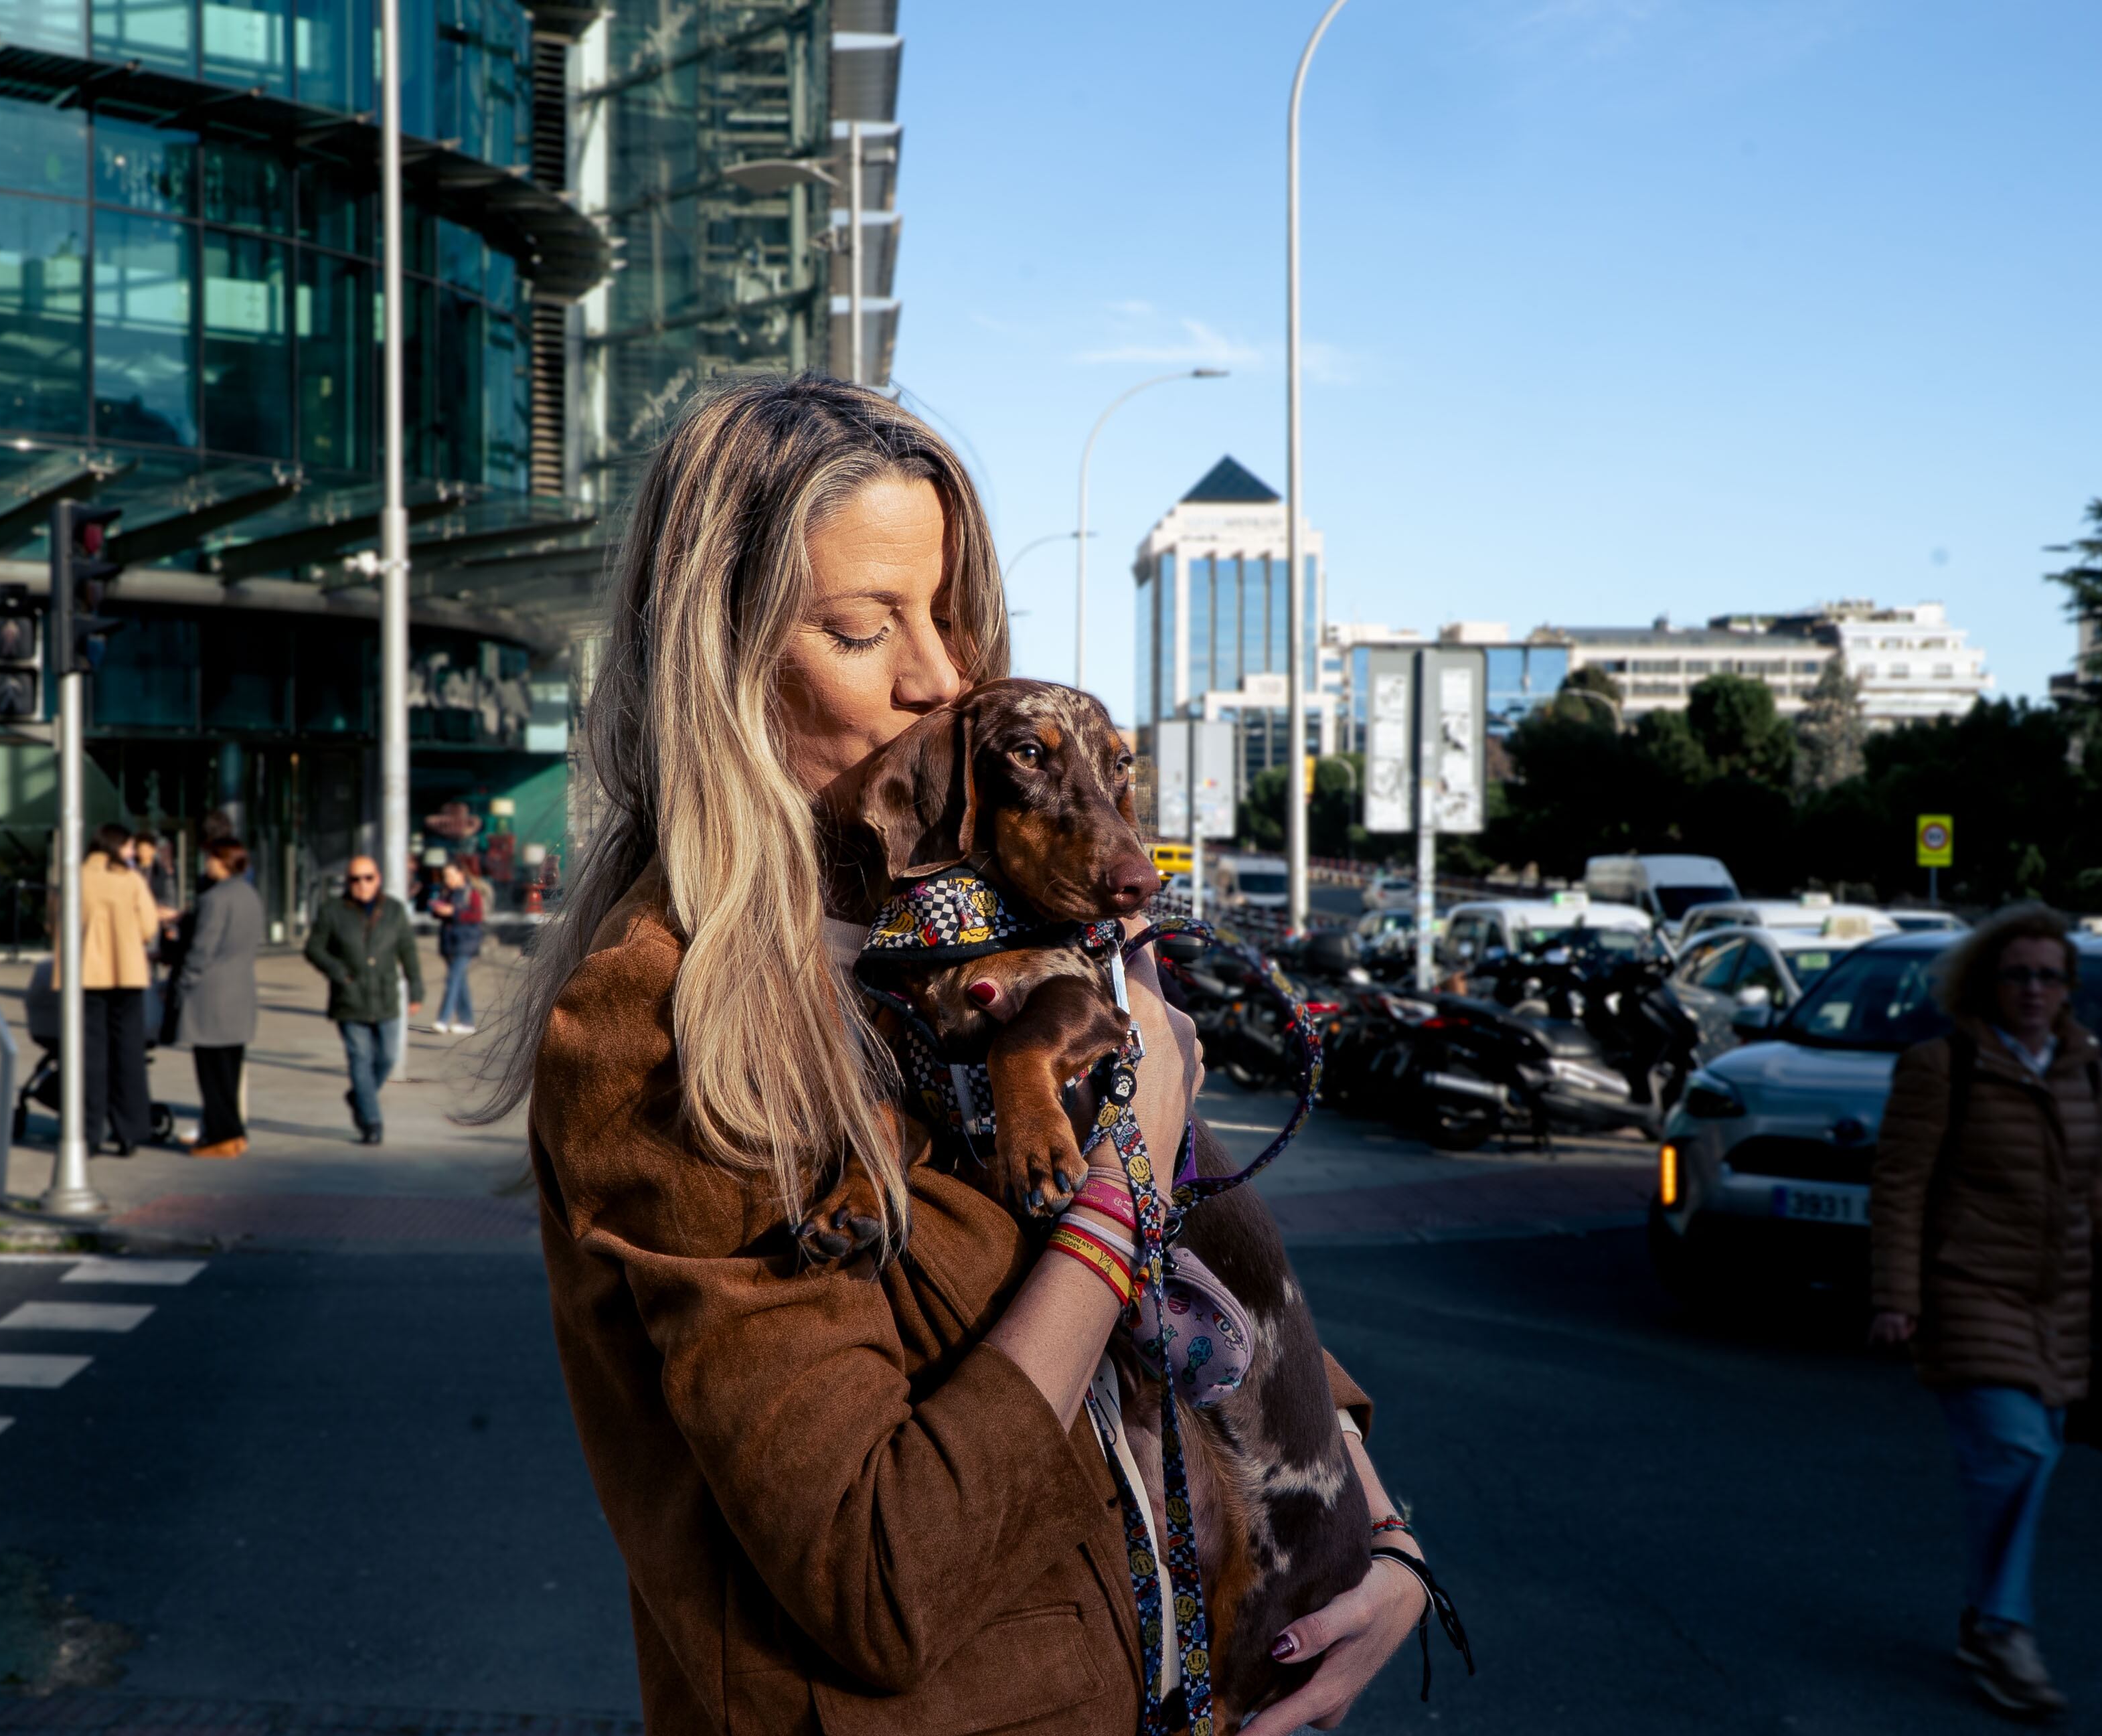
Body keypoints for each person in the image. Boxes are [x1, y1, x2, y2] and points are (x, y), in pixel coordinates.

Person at [483, 375, 1427, 1735]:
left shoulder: (957, 933)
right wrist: (1111, 1194)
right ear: (721, 668)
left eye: (950, 612)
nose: (939, 674)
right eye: (866, 629)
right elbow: (876, 1573)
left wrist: (1376, 1536)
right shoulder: (661, 1023)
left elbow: (1221, 1273)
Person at [1870, 904, 2102, 1719]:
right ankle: (2004, 1630)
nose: (2034, 989)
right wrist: (1895, 1296)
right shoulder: (1941, 1064)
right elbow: (1899, 1186)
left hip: (2057, 1301)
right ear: (1985, 981)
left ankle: (1981, 1616)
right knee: (2015, 1451)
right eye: (2017, 973)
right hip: (1968, 1289)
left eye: (2049, 975)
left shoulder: (2082, 1065)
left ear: (2068, 987)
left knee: (2034, 1457)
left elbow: (2096, 1184)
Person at [304, 854, 422, 1146]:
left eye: (368, 877)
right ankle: (371, 1123)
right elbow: (313, 948)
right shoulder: (333, 911)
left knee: (387, 1058)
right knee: (360, 1059)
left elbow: (407, 949)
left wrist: (416, 987)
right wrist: (337, 971)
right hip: (350, 998)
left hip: (385, 997)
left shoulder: (393, 911)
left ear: (378, 879)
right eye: (355, 879)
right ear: (348, 882)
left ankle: (359, 1095)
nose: (362, 884)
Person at [77, 823, 161, 1155]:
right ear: (115, 847)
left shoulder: (75, 878)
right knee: (128, 1053)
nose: (132, 853)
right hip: (127, 972)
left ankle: (88, 1131)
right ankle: (129, 1131)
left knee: (89, 1055)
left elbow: (55, 920)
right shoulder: (131, 881)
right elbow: (149, 925)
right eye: (128, 847)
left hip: (85, 973)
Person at [175, 839, 262, 1160]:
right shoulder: (250, 895)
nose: (206, 865)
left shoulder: (214, 899)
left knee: (212, 1073)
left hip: (211, 995)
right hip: (240, 991)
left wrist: (184, 981)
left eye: (210, 859)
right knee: (231, 1070)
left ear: (222, 861)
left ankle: (222, 1136)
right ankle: (234, 1133)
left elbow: (202, 949)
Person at [428, 861, 487, 1034]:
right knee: (459, 982)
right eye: (446, 877)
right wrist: (437, 910)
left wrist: (453, 912)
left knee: (452, 979)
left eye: (451, 876)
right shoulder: (446, 892)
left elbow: (476, 916)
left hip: (466, 941)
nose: (448, 880)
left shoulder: (472, 893)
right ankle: (467, 1022)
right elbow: (437, 913)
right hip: (449, 942)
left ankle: (443, 1020)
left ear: (461, 874)